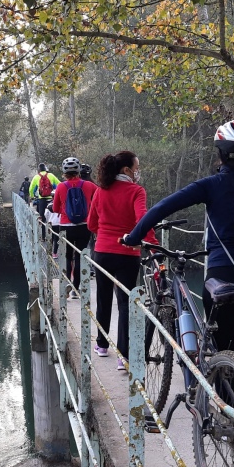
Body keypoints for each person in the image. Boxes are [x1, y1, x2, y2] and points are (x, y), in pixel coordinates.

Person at [122, 119, 234, 454]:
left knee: (222, 353)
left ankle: (228, 419)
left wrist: (133, 237)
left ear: (220, 153)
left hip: (222, 281)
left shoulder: (210, 186)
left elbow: (161, 209)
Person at [86, 151, 158, 370]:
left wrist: (106, 234)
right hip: (128, 254)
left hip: (102, 252)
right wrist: (153, 245)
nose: (138, 172)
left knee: (103, 297)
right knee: (126, 302)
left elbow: (91, 224)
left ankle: (101, 345)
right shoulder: (137, 191)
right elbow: (142, 221)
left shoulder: (101, 191)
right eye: (136, 167)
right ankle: (124, 356)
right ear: (126, 170)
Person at [53, 157, 97, 298]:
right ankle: (76, 290)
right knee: (79, 256)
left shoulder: (60, 187)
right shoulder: (89, 186)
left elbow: (55, 208)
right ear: (79, 171)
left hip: (66, 226)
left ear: (64, 172)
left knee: (67, 256)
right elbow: (99, 201)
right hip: (85, 226)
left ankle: (66, 283)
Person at [29, 163, 60, 241]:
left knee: (42, 217)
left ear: (39, 170)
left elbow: (31, 189)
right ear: (45, 169)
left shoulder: (36, 177)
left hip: (41, 200)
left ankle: (43, 237)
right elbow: (59, 184)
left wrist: (32, 196)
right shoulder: (51, 175)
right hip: (51, 199)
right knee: (52, 217)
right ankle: (54, 236)